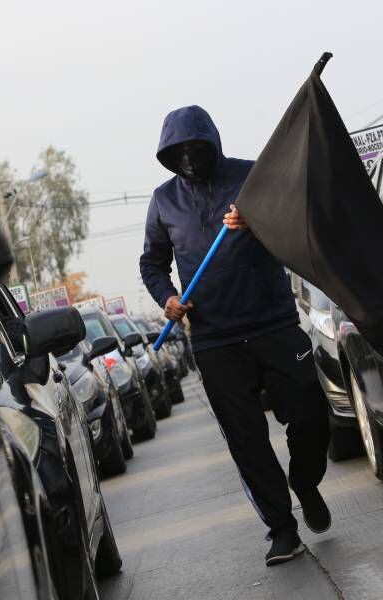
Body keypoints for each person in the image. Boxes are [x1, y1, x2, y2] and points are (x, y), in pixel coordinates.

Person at [139, 105, 331, 566]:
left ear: (213, 143)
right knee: (246, 439)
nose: (188, 159)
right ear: (167, 156)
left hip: (273, 322)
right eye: (177, 153)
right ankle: (282, 529)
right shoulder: (163, 201)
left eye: (196, 148)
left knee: (310, 412)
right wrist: (167, 297)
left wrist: (256, 220)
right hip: (215, 339)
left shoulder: (251, 176)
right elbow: (152, 263)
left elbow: (292, 221)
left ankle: (305, 482)